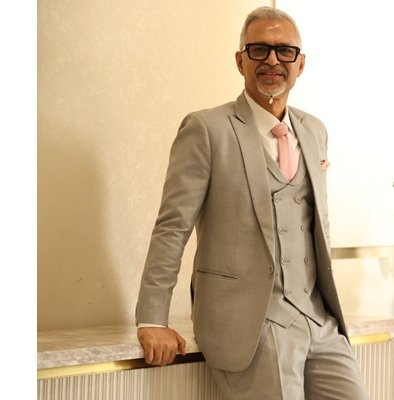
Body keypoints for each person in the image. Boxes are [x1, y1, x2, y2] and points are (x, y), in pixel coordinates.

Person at [134, 6, 369, 400]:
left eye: (285, 51)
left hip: (319, 319)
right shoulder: (206, 129)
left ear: (301, 64)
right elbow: (173, 227)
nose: (272, 60)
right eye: (259, 49)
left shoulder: (314, 130)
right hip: (251, 326)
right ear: (240, 60)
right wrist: (152, 319)